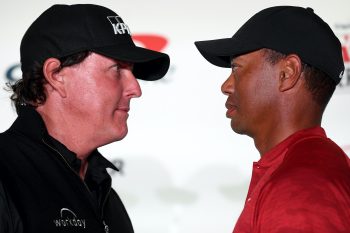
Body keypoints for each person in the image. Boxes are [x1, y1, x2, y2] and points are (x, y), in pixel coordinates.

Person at [0, 4, 169, 233]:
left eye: (133, 72)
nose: (135, 89)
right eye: (117, 68)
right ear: (56, 76)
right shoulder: (6, 174)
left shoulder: (101, 188)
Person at [195, 6, 350, 233]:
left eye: (237, 68)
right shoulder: (307, 167)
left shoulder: (302, 186)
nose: (226, 86)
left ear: (287, 73)